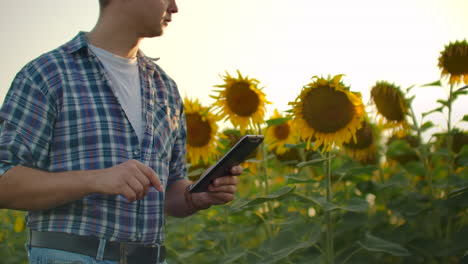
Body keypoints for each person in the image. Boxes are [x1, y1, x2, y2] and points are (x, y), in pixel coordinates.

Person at [0, 0, 241, 263]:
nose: (174, 7)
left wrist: (194, 197)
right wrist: (94, 179)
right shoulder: (47, 74)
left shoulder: (165, 89)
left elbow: (170, 188)